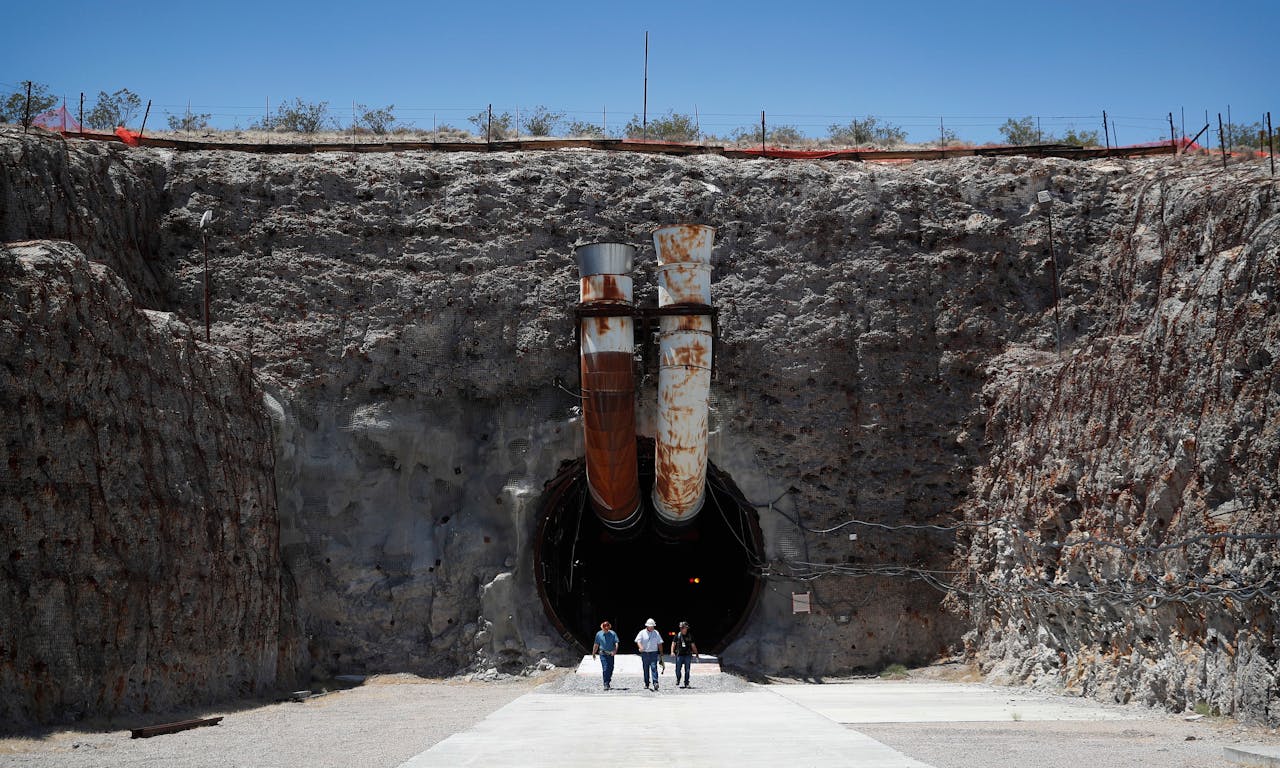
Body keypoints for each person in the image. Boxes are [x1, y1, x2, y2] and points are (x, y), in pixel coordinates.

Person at [634, 618, 664, 690]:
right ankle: (646, 683)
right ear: (647, 626)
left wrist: (661, 652)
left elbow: (659, 643)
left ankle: (655, 682)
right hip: (645, 653)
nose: (652, 627)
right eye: (650, 626)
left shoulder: (656, 633)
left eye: (653, 626)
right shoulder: (642, 632)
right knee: (646, 668)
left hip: (653, 653)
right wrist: (641, 647)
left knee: (654, 667)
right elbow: (638, 641)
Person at [669, 620, 699, 688]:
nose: (682, 629)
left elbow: (693, 645)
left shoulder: (690, 636)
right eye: (681, 628)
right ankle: (678, 678)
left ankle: (686, 683)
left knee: (687, 670)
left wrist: (696, 653)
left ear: (686, 628)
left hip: (687, 655)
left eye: (683, 627)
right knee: (677, 669)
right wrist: (672, 652)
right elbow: (673, 644)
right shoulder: (677, 635)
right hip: (679, 655)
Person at [592, 620, 619, 690]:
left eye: (607, 626)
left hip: (611, 654)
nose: (606, 627)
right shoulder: (599, 634)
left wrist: (615, 651)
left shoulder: (613, 634)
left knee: (610, 668)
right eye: (604, 626)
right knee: (605, 668)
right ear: (602, 627)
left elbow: (616, 643)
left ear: (609, 626)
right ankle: (606, 683)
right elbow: (596, 644)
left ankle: (608, 681)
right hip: (602, 653)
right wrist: (593, 653)